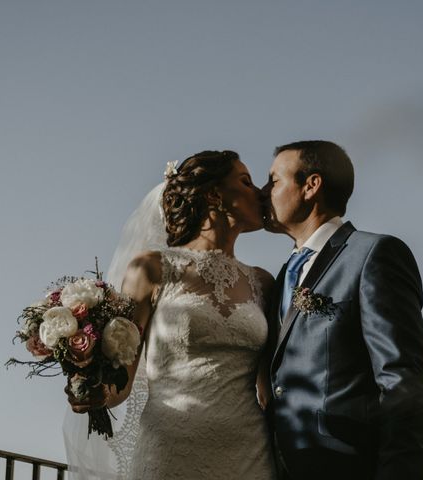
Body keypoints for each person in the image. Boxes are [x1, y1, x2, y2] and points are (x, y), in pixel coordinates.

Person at [66, 150, 277, 479]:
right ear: (213, 194)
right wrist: (94, 390)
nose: (260, 192)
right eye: (246, 181)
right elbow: (120, 381)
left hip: (249, 452)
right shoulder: (151, 269)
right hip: (171, 452)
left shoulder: (263, 282)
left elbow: (268, 390)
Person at [261, 140, 423, 480]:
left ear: (311, 185)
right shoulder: (281, 277)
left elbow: (402, 383)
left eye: (274, 181)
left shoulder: (374, 255)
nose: (263, 192)